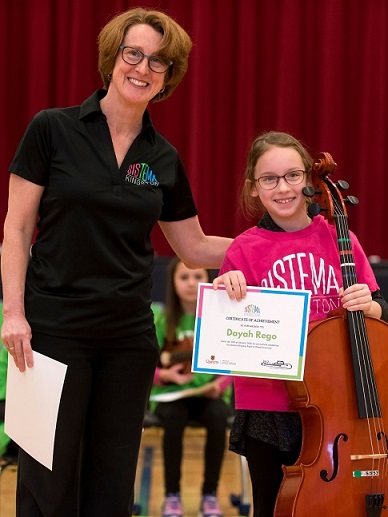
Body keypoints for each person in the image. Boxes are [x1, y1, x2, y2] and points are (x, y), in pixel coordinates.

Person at [0, 8, 232, 517]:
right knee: (47, 477)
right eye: (134, 53)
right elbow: (16, 229)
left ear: (168, 77)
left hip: (127, 338)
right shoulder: (52, 129)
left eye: (159, 61)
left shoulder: (163, 157)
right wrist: (13, 313)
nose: (143, 68)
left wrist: (272, 245)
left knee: (111, 481)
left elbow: (192, 246)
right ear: (113, 57)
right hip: (53, 331)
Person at [211, 131, 388, 517]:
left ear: (309, 180)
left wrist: (372, 307)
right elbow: (231, 334)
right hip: (270, 407)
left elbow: (380, 311)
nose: (283, 188)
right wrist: (227, 292)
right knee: (276, 508)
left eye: (293, 175)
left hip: (340, 406)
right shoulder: (242, 249)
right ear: (253, 188)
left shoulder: (341, 238)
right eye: (269, 179)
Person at [150, 257, 232, 517]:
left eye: (197, 277)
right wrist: (164, 375)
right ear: (172, 282)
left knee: (218, 417)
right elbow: (143, 366)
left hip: (207, 394)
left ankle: (210, 495)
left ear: (208, 281)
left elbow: (234, 361)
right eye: (183, 277)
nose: (191, 283)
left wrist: (219, 386)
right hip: (170, 395)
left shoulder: (220, 317)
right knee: (173, 420)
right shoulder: (161, 318)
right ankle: (171, 495)